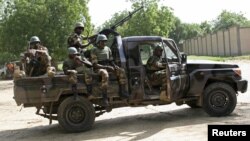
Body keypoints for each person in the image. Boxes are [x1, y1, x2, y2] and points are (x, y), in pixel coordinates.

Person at [90, 34, 129, 107]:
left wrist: (114, 66)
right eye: (102, 42)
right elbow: (95, 64)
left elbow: (111, 60)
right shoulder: (94, 50)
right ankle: (105, 98)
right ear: (98, 42)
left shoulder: (107, 49)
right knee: (105, 74)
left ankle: (122, 92)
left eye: (105, 42)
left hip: (108, 65)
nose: (104, 43)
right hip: (98, 68)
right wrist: (107, 67)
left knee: (121, 71)